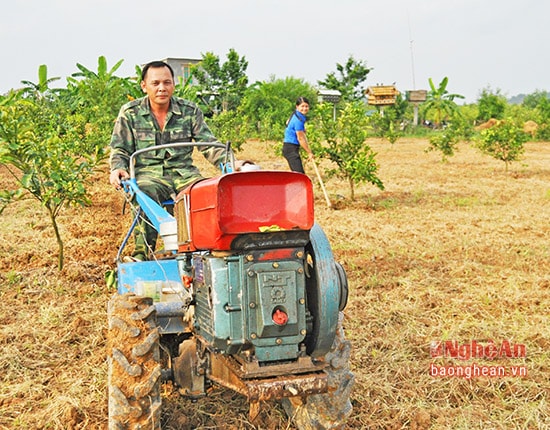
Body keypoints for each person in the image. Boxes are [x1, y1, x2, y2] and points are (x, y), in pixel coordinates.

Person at [109, 60, 230, 262]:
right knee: (144, 192)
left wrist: (232, 164)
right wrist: (118, 168)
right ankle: (142, 254)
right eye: (155, 83)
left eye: (167, 82)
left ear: (173, 84)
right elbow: (120, 148)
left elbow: (208, 144)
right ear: (144, 86)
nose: (162, 88)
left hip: (184, 173)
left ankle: (202, 252)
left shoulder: (189, 111)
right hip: (149, 174)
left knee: (203, 194)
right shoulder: (130, 113)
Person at [282, 97, 314, 173]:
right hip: (290, 148)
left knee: (297, 174)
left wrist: (302, 130)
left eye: (306, 106)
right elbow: (300, 139)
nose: (305, 108)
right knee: (300, 175)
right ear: (297, 106)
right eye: (302, 106)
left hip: (291, 147)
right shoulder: (298, 120)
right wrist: (309, 152)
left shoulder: (297, 115)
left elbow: (287, 123)